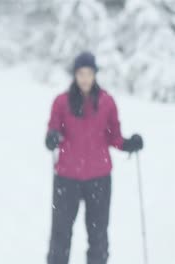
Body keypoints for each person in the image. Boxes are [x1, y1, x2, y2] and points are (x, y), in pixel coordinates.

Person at [45, 52, 143, 264]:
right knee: (60, 235)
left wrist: (129, 144)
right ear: (75, 74)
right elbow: (53, 131)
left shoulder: (107, 102)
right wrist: (52, 138)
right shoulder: (61, 102)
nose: (85, 78)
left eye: (89, 73)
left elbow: (114, 137)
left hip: (99, 178)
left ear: (95, 74)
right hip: (66, 179)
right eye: (81, 73)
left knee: (98, 236)